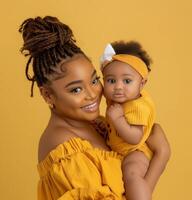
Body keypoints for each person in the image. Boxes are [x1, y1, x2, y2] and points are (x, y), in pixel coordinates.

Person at [19, 16, 171, 200]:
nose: (92, 94)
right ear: (48, 95)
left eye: (94, 80)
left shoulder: (94, 123)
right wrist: (161, 156)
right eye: (76, 89)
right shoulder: (64, 149)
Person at [100, 41, 166, 200]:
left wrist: (118, 119)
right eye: (111, 80)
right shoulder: (119, 99)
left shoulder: (138, 106)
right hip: (119, 150)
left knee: (132, 174)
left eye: (127, 81)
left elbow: (135, 136)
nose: (118, 87)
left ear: (142, 84)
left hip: (136, 150)